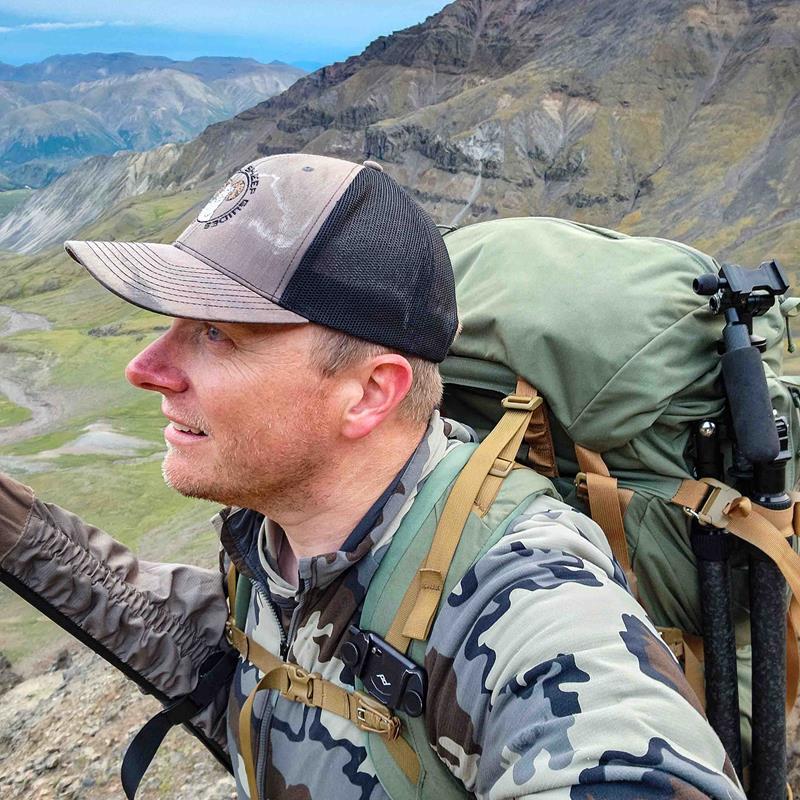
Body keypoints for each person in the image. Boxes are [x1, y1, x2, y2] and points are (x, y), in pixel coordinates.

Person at [0, 153, 744, 800]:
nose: (146, 369)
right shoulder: (277, 541)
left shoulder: (524, 593)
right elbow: (230, 653)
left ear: (370, 393)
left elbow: (618, 744)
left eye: (216, 334)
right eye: (172, 326)